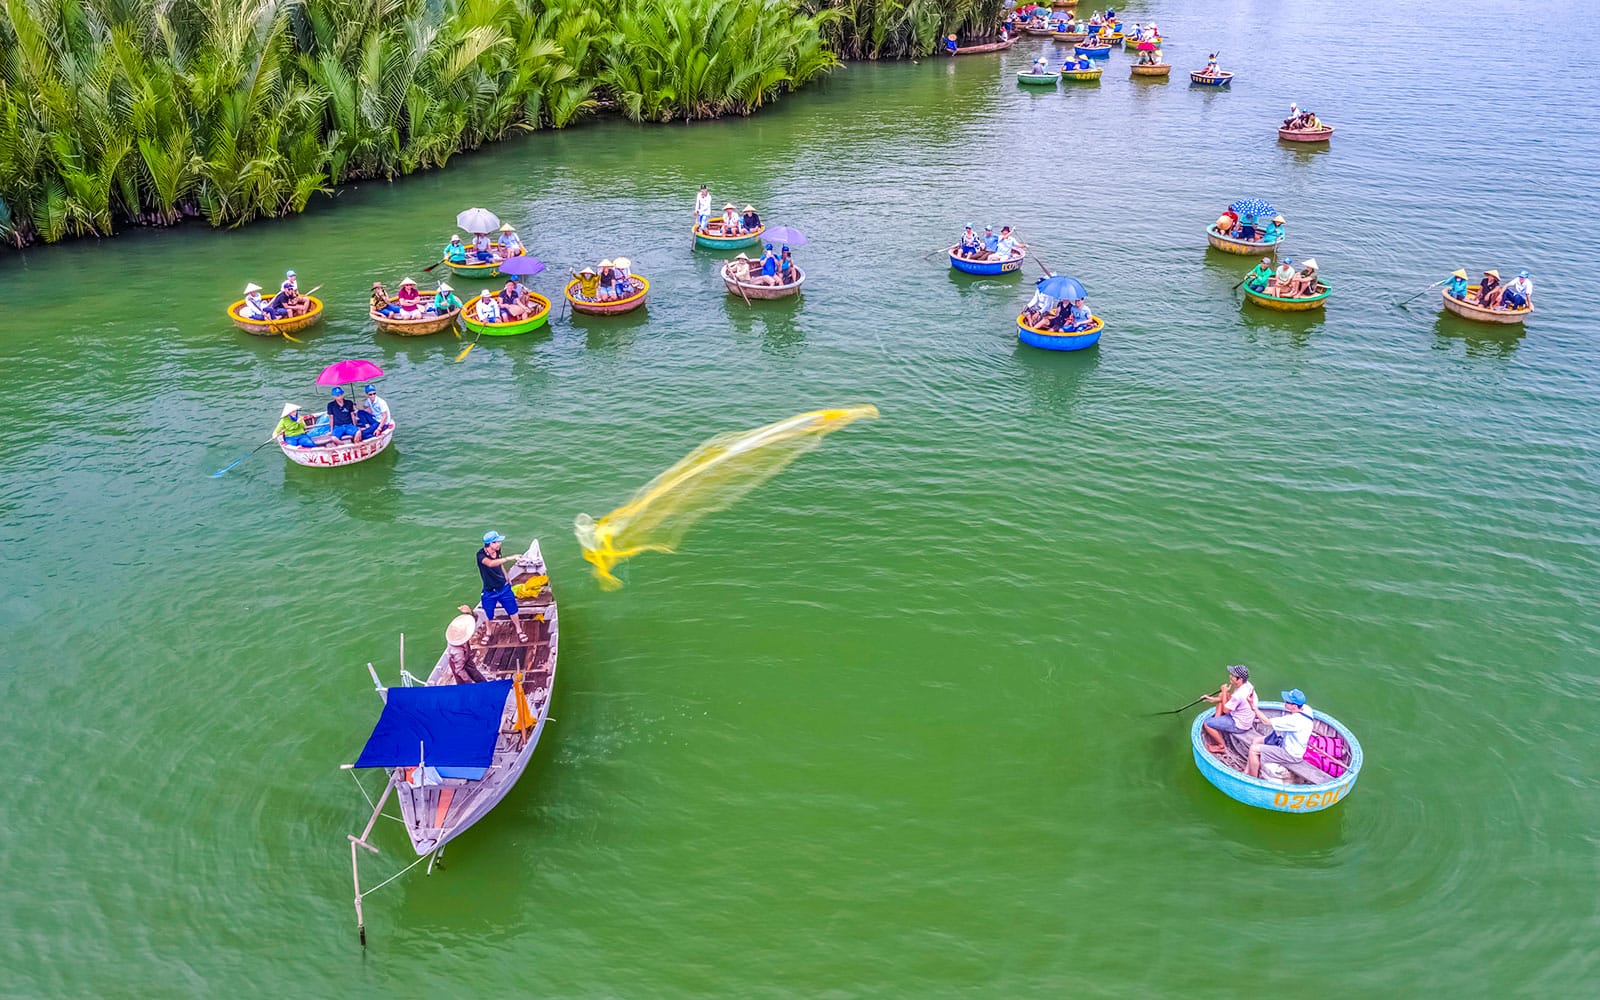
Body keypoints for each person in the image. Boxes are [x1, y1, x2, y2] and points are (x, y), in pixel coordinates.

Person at [1246, 689, 1315, 778]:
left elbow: (1266, 722)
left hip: (1290, 754)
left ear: (1294, 706)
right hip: (1291, 745)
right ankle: (1247, 770)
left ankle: (1253, 778)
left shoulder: (1294, 721)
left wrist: (1254, 707)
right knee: (1256, 740)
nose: (1284, 702)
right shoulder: (1306, 708)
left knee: (1253, 749)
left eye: (1287, 701)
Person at [476, 531, 529, 644]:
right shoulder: (480, 555)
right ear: (491, 543)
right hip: (490, 591)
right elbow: (490, 563)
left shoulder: (497, 551)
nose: (500, 543)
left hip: (503, 588)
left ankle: (519, 630)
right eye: (497, 541)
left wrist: (506, 576)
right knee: (488, 613)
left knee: (513, 610)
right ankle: (488, 632)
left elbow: (499, 564)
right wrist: (510, 558)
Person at [1201, 664, 1258, 755]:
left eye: (1233, 675)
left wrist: (1224, 691)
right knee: (1222, 697)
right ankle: (1217, 724)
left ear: (1240, 679)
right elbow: (1232, 701)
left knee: (1207, 723)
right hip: (1246, 717)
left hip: (1239, 724)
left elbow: (1226, 711)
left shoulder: (1238, 695)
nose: (1230, 676)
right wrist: (1212, 699)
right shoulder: (1248, 685)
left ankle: (1221, 747)